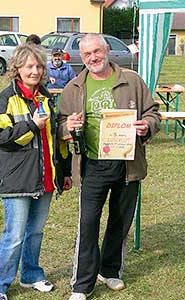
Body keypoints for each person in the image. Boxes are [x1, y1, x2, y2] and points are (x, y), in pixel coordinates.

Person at [58, 33, 161, 300]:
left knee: (120, 221)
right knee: (88, 224)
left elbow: (153, 112)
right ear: (82, 57)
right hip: (92, 165)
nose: (93, 57)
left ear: (107, 51)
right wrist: (67, 127)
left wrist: (146, 126)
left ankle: (110, 270)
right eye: (87, 54)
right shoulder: (74, 87)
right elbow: (59, 124)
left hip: (128, 165)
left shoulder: (132, 81)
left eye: (97, 51)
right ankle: (82, 285)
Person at [0, 43, 72, 300]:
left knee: (35, 231)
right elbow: (1, 137)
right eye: (29, 66)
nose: (35, 71)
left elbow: (56, 139)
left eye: (39, 66)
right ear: (17, 69)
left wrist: (64, 172)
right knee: (13, 235)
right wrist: (32, 124)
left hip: (44, 177)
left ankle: (30, 274)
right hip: (17, 179)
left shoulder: (45, 97)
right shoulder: (5, 99)